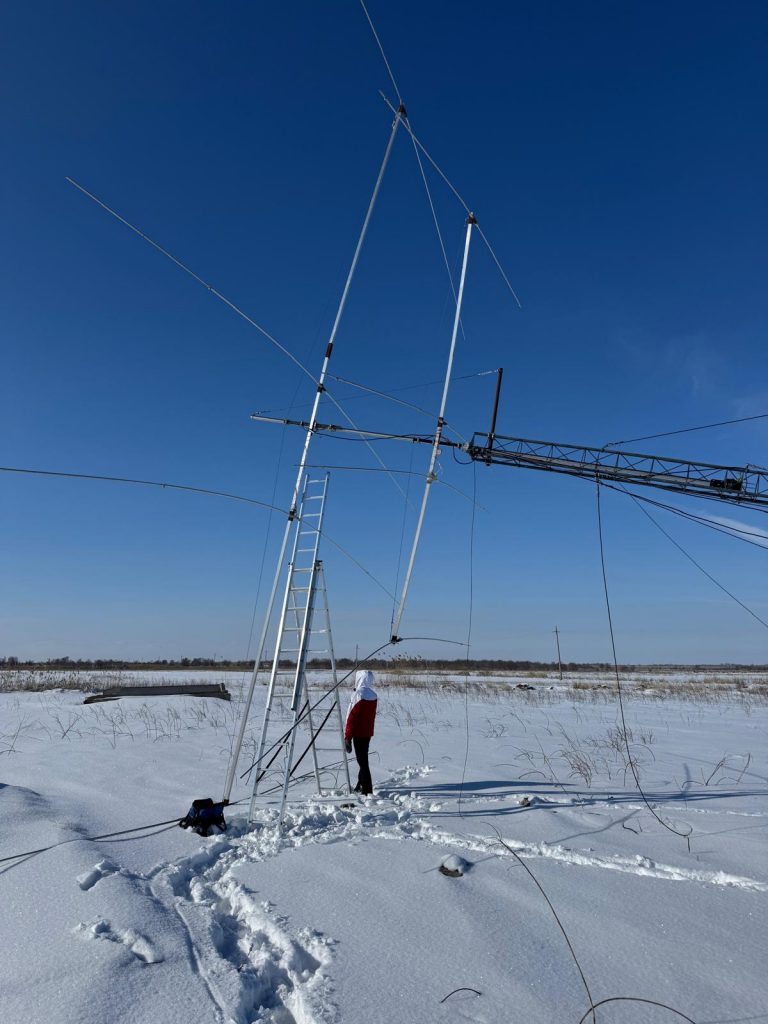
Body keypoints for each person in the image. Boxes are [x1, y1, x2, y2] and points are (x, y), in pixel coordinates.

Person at [344, 669, 378, 796]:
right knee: (362, 759)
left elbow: (351, 717)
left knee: (363, 762)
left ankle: (367, 790)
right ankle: (360, 785)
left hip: (358, 733)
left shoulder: (358, 694)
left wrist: (347, 737)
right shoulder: (373, 695)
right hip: (367, 733)